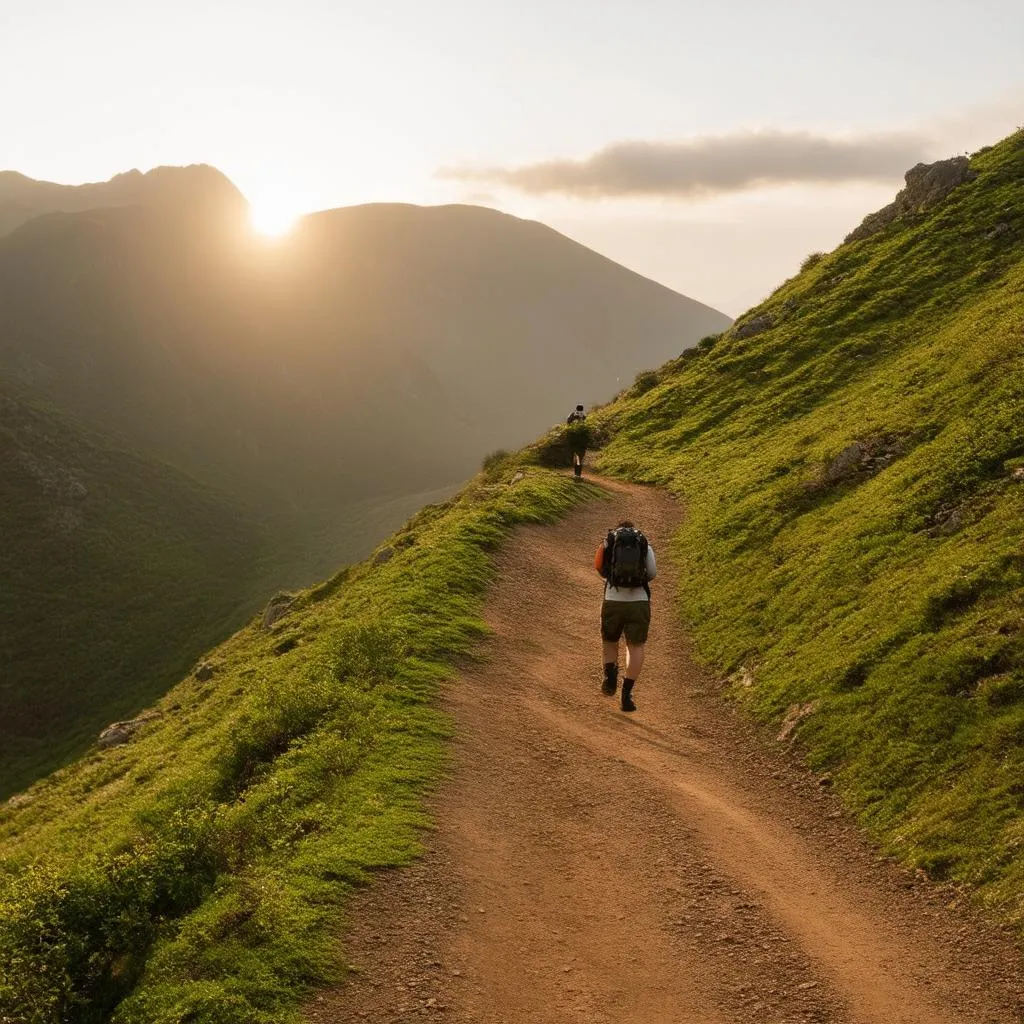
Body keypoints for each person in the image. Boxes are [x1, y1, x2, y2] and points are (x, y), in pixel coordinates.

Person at [594, 520, 656, 712]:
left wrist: (611, 578)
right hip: (639, 602)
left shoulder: (608, 542)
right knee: (635, 646)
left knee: (610, 640)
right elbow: (652, 573)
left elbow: (598, 566)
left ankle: (609, 674)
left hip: (613, 600)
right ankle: (626, 693)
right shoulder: (644, 542)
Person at [565, 404, 588, 479]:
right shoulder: (584, 416)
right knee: (579, 458)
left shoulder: (572, 414)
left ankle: (576, 474)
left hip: (573, 438)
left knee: (577, 457)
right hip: (582, 440)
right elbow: (587, 426)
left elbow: (568, 422)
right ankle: (577, 474)